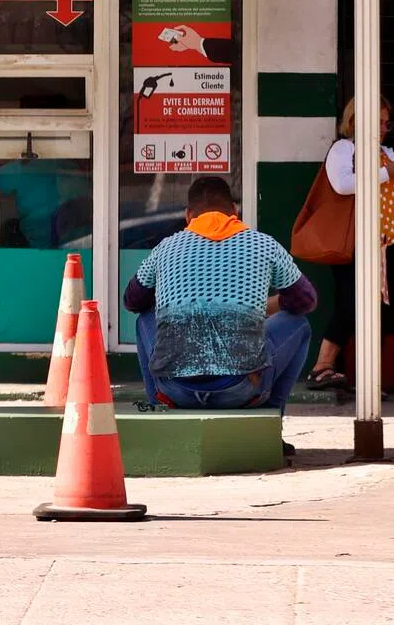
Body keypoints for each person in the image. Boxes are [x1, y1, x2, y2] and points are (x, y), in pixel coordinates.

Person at [124, 176, 317, 446]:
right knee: (300, 324)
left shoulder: (165, 248)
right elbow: (306, 301)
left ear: (188, 216)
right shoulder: (263, 244)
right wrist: (268, 305)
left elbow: (132, 301)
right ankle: (270, 430)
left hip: (175, 389)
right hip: (242, 389)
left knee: (145, 316)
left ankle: (158, 409)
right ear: (235, 212)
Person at [304, 97, 394, 390]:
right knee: (351, 304)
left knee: (382, 310)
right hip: (354, 242)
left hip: (385, 243)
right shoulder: (345, 149)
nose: (383, 128)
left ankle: (371, 379)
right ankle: (322, 367)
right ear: (356, 120)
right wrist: (384, 173)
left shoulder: (387, 152)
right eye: (378, 121)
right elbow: (342, 184)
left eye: (386, 122)